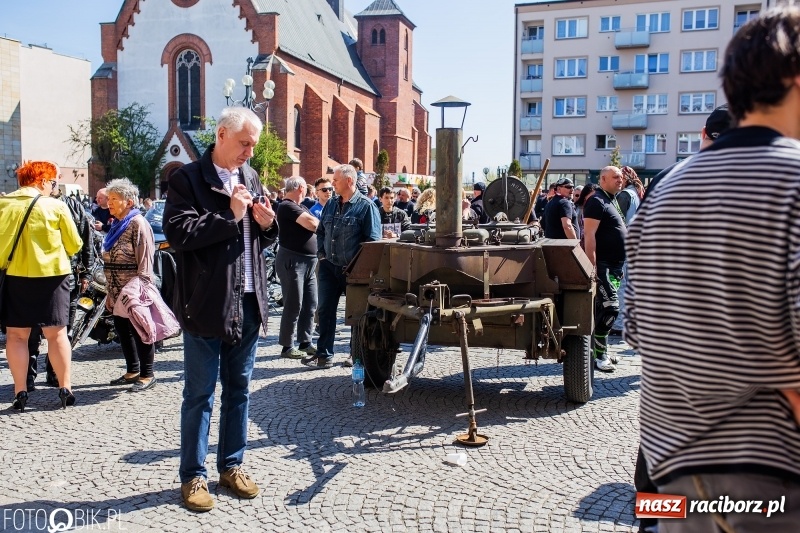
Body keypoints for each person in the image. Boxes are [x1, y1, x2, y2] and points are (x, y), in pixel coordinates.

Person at [626, 8, 800, 531]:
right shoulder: (793, 183)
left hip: (676, 474)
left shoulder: (664, 191)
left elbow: (638, 331)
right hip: (768, 484)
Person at [163, 107, 279, 512]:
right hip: (207, 303)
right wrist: (230, 218)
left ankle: (231, 465)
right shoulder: (188, 179)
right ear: (222, 134)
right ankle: (193, 476)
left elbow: (260, 238)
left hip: (249, 299)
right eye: (244, 143)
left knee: (240, 390)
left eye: (253, 145)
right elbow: (179, 234)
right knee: (199, 393)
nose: (250, 152)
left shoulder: (250, 176)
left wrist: (267, 225)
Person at [0, 161, 82, 410]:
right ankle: (65, 386)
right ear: (42, 181)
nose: (53, 187)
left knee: (16, 336)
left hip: (15, 276)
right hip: (53, 276)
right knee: (56, 335)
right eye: (53, 182)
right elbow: (74, 244)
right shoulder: (56, 206)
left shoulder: (3, 205)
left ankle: (20, 391)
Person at [301, 164, 380, 369]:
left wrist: (359, 268)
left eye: (335, 180)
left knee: (356, 314)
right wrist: (322, 255)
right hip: (329, 266)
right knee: (325, 310)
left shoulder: (366, 206)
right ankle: (324, 355)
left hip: (354, 271)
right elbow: (320, 231)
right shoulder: (331, 203)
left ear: (349, 181)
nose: (332, 184)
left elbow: (373, 242)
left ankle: (356, 356)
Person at [27, 167, 94, 390]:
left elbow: (85, 239)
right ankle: (27, 377)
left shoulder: (71, 206)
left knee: (62, 329)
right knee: (32, 331)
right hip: (36, 275)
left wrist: (86, 272)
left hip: (68, 277)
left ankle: (55, 375)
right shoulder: (28, 206)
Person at [102, 178, 157, 392]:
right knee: (123, 330)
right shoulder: (117, 225)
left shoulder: (138, 223)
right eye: (109, 198)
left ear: (129, 203)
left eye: (115, 199)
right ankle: (133, 370)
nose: (110, 203)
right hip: (116, 289)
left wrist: (141, 290)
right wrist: (110, 292)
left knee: (140, 329)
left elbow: (145, 260)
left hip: (134, 289)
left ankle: (147, 374)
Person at [582, 166, 625, 373]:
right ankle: (600, 357)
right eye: (616, 177)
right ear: (603, 179)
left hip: (615, 266)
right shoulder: (596, 201)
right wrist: (593, 269)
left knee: (602, 311)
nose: (620, 180)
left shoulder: (611, 199)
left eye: (621, 177)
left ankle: (600, 351)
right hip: (603, 267)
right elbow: (588, 236)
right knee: (610, 308)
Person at [275, 176, 319, 359]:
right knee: (293, 304)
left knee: (310, 303)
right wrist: (315, 222)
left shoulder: (302, 207)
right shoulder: (287, 205)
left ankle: (305, 341)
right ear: (301, 187)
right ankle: (287, 346)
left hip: (309, 262)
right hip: (294, 260)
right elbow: (313, 223)